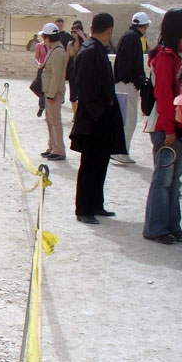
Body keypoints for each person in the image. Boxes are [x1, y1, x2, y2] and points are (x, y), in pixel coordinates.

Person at [143, 8, 182, 245]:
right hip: (166, 125)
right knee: (163, 179)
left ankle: (172, 224)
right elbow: (164, 94)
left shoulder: (181, 53)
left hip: (178, 123)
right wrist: (170, 128)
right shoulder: (165, 56)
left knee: (175, 179)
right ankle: (156, 227)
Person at [69, 13, 127, 224]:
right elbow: (86, 89)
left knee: (100, 162)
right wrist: (99, 114)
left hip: (100, 119)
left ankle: (96, 204)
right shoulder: (90, 51)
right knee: (90, 165)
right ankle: (84, 208)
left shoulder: (96, 50)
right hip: (94, 120)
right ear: (109, 30)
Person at [112, 12, 152, 164]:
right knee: (128, 119)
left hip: (124, 84)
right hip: (126, 84)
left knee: (125, 119)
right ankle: (121, 151)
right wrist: (135, 81)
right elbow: (126, 64)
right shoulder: (133, 39)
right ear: (144, 26)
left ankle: (120, 150)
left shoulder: (129, 36)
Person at [39, 22, 69, 160]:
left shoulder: (57, 52)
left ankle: (59, 150)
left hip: (54, 92)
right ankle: (52, 146)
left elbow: (57, 75)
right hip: (50, 91)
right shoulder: (54, 49)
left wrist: (51, 94)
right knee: (50, 120)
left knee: (55, 121)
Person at [66, 20, 89, 117]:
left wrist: (82, 36)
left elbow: (91, 46)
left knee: (82, 95)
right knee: (73, 96)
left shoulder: (86, 40)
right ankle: (75, 115)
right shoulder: (70, 44)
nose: (74, 32)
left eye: (77, 29)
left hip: (83, 72)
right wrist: (64, 72)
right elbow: (67, 59)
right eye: (73, 30)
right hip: (73, 72)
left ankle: (81, 115)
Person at [33, 31, 48, 117]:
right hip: (42, 68)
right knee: (42, 89)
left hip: (50, 68)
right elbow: (36, 58)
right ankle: (42, 107)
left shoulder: (52, 46)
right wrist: (38, 64)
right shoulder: (39, 46)